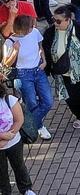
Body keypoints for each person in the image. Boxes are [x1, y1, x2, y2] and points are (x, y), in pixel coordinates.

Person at [5, 13, 54, 141]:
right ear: (21, 28)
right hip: (23, 74)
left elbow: (40, 47)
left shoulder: (35, 32)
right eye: (29, 27)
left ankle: (26, 124)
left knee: (48, 101)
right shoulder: (10, 41)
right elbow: (6, 64)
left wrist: (44, 61)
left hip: (38, 69)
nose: (32, 29)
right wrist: (15, 51)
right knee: (31, 102)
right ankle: (38, 126)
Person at [0, 67, 36, 195]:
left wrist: (10, 136)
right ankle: (5, 191)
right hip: (4, 141)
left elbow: (19, 120)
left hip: (13, 141)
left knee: (19, 166)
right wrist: (3, 137)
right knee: (1, 171)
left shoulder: (9, 100)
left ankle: (26, 189)